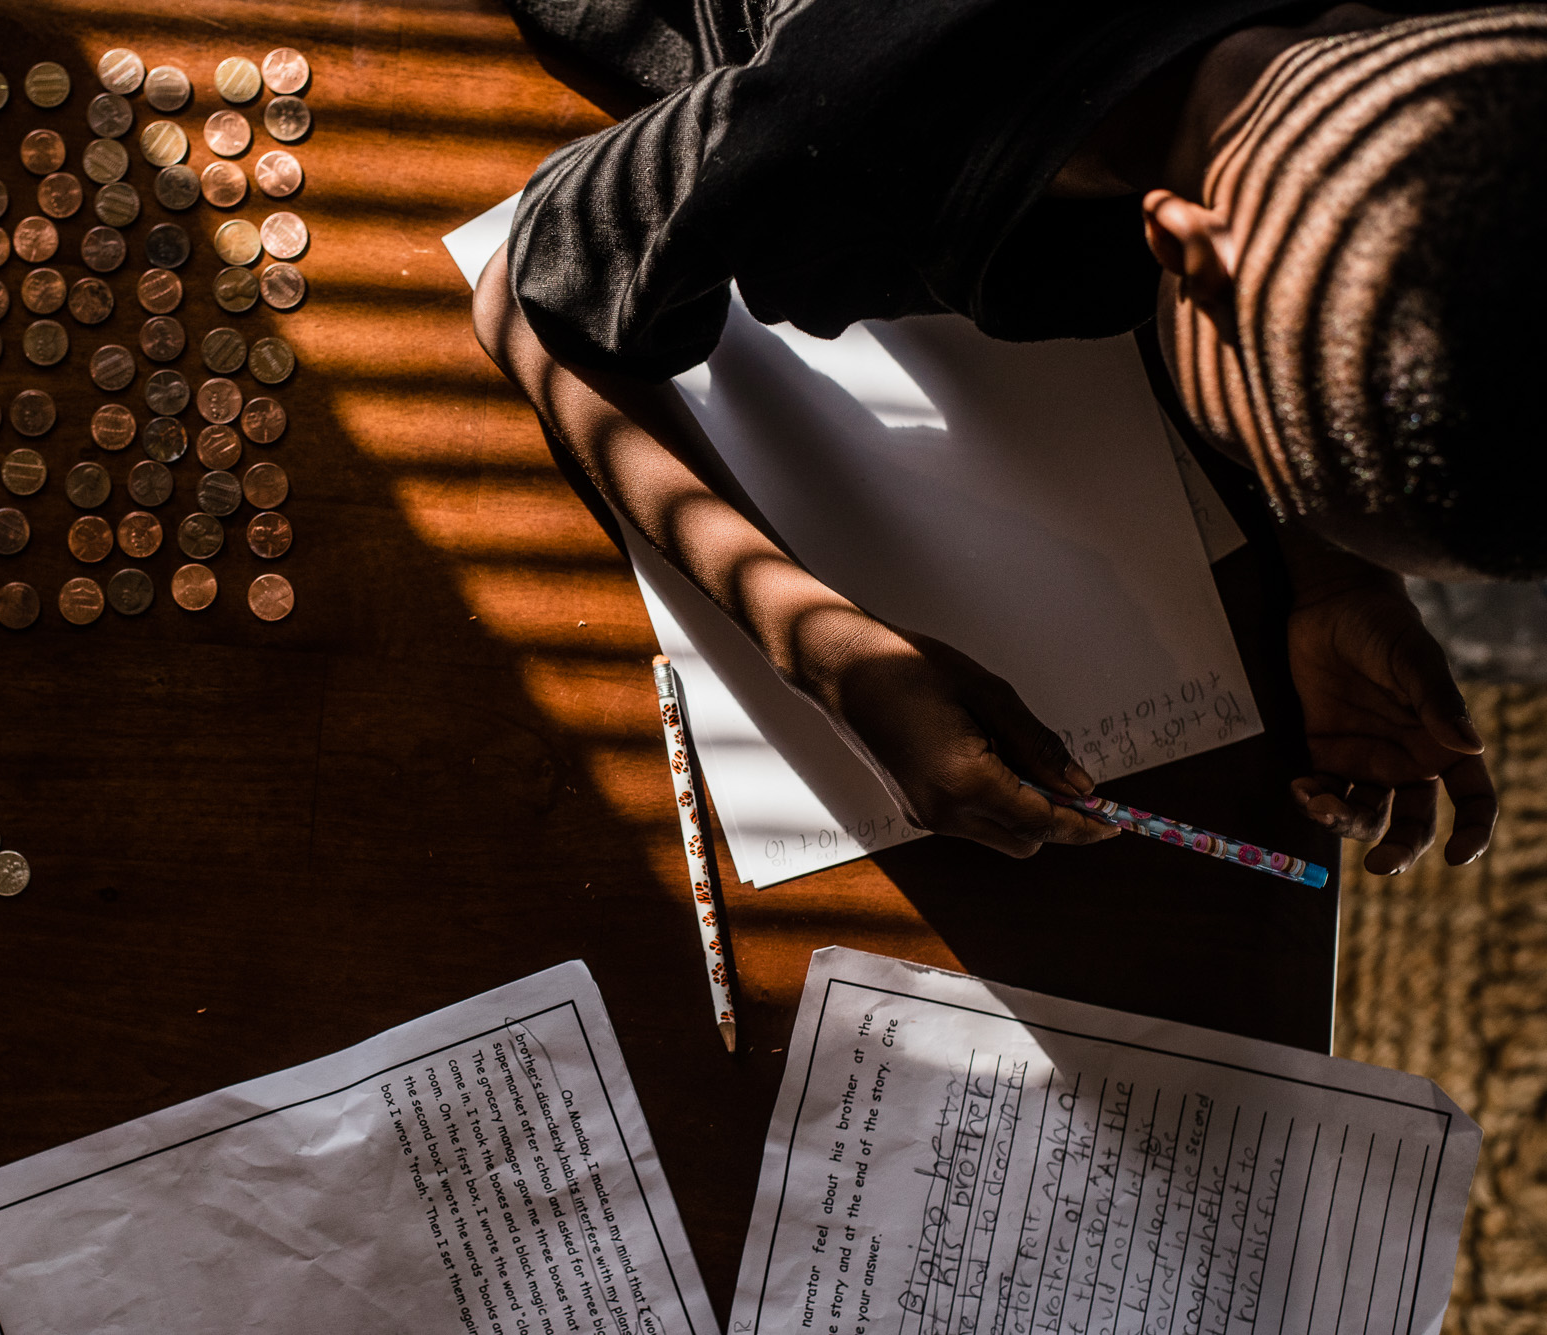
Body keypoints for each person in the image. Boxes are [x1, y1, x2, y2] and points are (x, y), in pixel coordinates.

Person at [474, 2, 1547, 876]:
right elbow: (527, 299)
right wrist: (820, 643)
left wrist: (1329, 573)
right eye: (1269, 461)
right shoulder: (864, 133)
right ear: (1176, 248)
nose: (1260, 492)